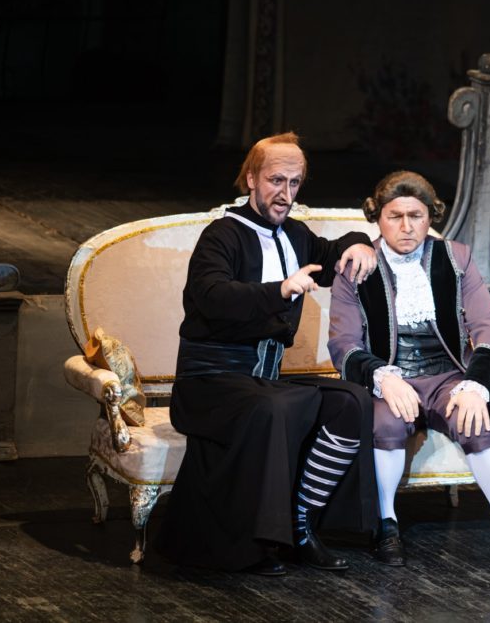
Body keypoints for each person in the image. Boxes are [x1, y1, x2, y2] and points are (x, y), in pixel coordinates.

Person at [156, 132, 379, 576]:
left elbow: (333, 252)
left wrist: (359, 243)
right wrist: (280, 290)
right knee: (274, 406)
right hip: (210, 382)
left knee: (350, 401)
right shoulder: (222, 236)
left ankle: (301, 525)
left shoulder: (294, 234)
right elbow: (212, 296)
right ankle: (256, 543)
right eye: (277, 180)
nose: (285, 193)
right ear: (251, 179)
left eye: (294, 183)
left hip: (264, 380)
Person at [327, 170, 490, 576]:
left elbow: (487, 327)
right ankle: (386, 524)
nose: (406, 226)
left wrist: (476, 385)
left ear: (431, 217)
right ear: (377, 217)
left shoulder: (456, 258)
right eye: (395, 216)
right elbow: (343, 343)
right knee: (385, 424)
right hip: (392, 378)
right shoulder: (357, 266)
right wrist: (383, 378)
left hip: (449, 376)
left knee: (477, 422)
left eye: (416, 215)